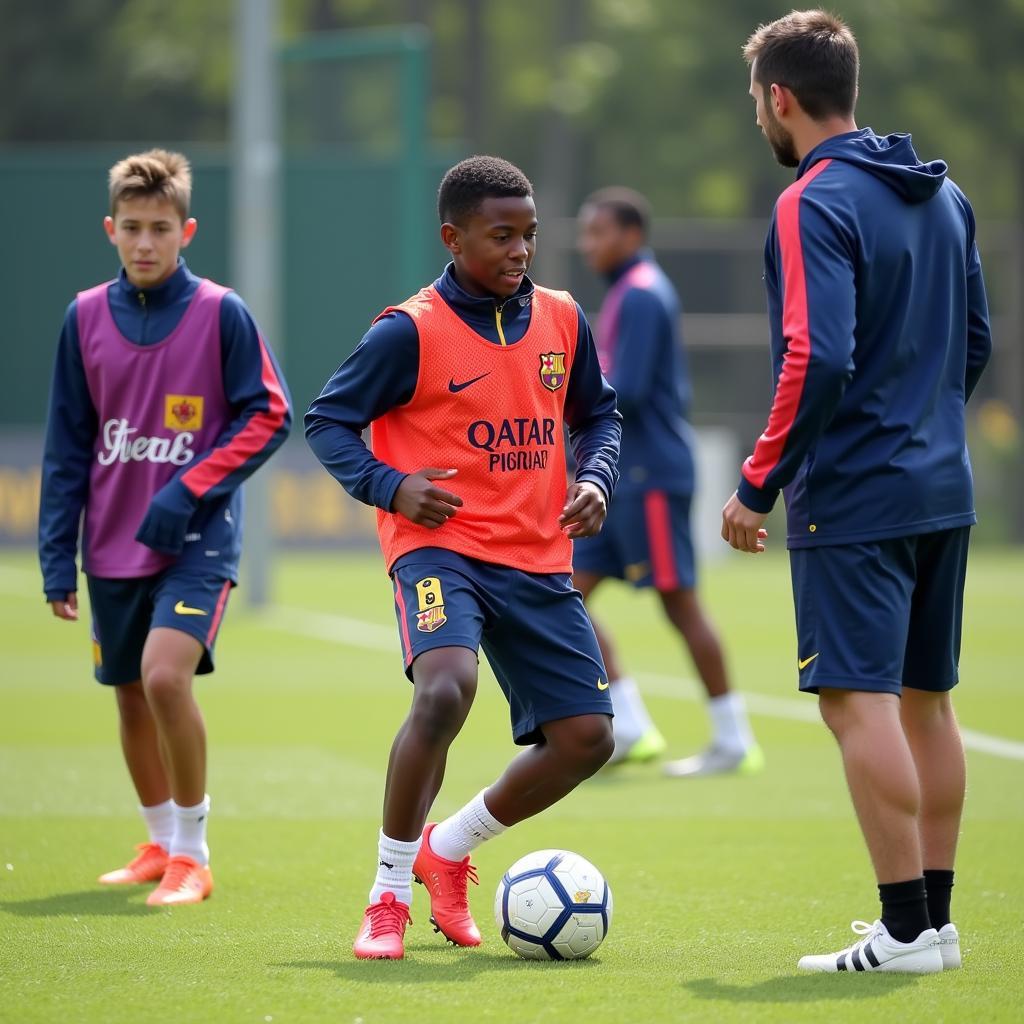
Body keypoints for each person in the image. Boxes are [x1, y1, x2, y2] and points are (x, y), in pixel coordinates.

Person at [725, 11, 992, 973]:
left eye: (758, 98)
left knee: (857, 704)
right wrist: (925, 429)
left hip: (859, 497)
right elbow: (976, 344)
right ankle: (938, 924)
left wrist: (759, 483)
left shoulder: (812, 202)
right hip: (942, 486)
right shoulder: (943, 193)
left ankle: (908, 930)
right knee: (929, 703)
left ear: (780, 98)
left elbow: (817, 353)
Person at [305, 155, 621, 961]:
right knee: (446, 689)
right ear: (453, 238)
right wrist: (391, 487)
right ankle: (386, 896)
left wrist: (595, 478)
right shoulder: (408, 330)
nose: (521, 251)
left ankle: (448, 849)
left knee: (588, 739)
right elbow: (328, 422)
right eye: (501, 236)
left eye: (530, 235)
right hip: (440, 548)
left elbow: (599, 418)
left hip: (537, 554)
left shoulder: (561, 317)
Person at [38, 149, 292, 906]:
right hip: (110, 546)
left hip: (196, 544)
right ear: (110, 229)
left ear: (187, 230)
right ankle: (156, 843)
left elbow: (269, 413)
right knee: (127, 694)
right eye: (133, 229)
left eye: (161, 229)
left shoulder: (221, 312)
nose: (146, 243)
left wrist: (191, 488)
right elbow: (67, 446)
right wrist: (57, 556)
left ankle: (193, 855)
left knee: (162, 677)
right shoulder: (83, 317)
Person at [574, 188, 762, 775]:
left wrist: (562, 390)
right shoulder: (627, 293)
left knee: (679, 603)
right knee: (561, 592)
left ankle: (733, 737)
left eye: (597, 233)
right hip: (620, 475)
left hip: (649, 473)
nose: (588, 245)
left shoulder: (644, 295)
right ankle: (627, 723)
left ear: (630, 235)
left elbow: (624, 388)